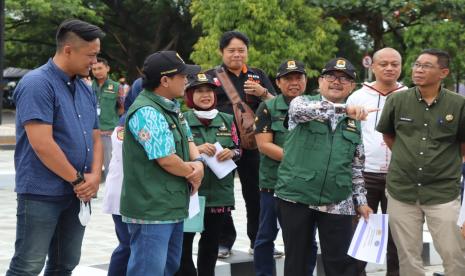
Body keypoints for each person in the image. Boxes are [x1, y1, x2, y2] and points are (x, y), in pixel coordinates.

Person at [6, 19, 104, 275]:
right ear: (68, 50)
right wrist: (79, 180)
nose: (94, 62)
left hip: (77, 194)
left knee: (65, 263)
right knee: (28, 264)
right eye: (91, 55)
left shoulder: (85, 87)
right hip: (42, 192)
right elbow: (42, 144)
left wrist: (94, 176)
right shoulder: (37, 83)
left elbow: (95, 135)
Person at [275, 57, 374, 276]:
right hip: (296, 196)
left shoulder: (353, 121)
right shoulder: (301, 103)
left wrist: (361, 202)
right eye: (331, 76)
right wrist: (344, 109)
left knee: (341, 263)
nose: (337, 82)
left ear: (351, 87)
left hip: (338, 199)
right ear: (320, 81)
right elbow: (305, 112)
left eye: (344, 79)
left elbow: (356, 167)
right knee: (297, 262)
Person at [377, 48, 465, 276]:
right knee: (408, 258)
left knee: (454, 254)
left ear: (443, 72)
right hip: (401, 191)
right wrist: (409, 158)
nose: (418, 69)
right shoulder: (397, 100)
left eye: (426, 66)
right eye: (417, 64)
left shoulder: (458, 104)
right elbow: (389, 136)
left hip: (442, 192)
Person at [120, 51, 205, 275]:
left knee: (169, 266)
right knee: (149, 270)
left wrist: (198, 163)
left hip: (170, 205)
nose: (187, 80)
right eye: (183, 75)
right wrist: (193, 172)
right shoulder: (147, 111)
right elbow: (166, 158)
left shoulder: (171, 107)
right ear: (165, 80)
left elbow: (188, 139)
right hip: (152, 208)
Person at [205, 30, 277, 257]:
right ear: (221, 52)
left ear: (247, 52)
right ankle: (223, 241)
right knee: (221, 195)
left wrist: (262, 92)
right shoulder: (211, 77)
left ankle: (260, 241)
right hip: (222, 145)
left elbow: (276, 105)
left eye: (241, 50)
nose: (237, 55)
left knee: (256, 193)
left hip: (253, 144)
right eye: (231, 50)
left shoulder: (258, 75)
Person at [253, 60, 317, 276]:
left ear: (306, 81)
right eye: (288, 78)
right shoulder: (268, 107)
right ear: (278, 83)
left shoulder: (317, 106)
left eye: (298, 77)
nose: (294, 83)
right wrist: (298, 159)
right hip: (274, 184)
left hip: (306, 187)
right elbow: (264, 145)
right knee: (265, 237)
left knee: (307, 239)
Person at [346, 47, 404, 276]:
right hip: (365, 175)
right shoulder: (358, 96)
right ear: (373, 66)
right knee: (360, 232)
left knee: (399, 236)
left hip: (399, 176)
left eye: (395, 64)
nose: (390, 68)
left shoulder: (409, 94)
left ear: (401, 66)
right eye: (384, 64)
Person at [176, 73, 240, 276]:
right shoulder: (181, 118)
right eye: (199, 91)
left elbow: (240, 148)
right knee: (184, 245)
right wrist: (196, 148)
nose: (205, 95)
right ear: (190, 95)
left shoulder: (227, 119)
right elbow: (174, 151)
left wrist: (232, 152)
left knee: (211, 244)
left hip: (220, 194)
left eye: (209, 91)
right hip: (191, 192)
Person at [91, 58, 124, 180]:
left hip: (108, 131)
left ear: (107, 68)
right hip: (91, 132)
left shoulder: (116, 87)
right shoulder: (88, 87)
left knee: (110, 165)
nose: (97, 71)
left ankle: (110, 195)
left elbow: (121, 109)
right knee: (91, 166)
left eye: (100, 68)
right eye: (94, 69)